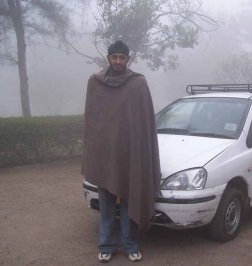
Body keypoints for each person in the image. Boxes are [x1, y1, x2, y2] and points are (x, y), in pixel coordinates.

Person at [82, 40, 161, 263]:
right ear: (108, 58)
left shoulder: (138, 84)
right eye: (114, 57)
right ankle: (106, 245)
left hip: (130, 154)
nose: (118, 61)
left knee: (129, 200)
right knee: (106, 203)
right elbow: (92, 121)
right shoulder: (95, 82)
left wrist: (138, 151)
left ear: (128, 59)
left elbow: (144, 122)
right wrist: (96, 150)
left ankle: (130, 245)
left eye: (122, 57)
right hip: (105, 155)